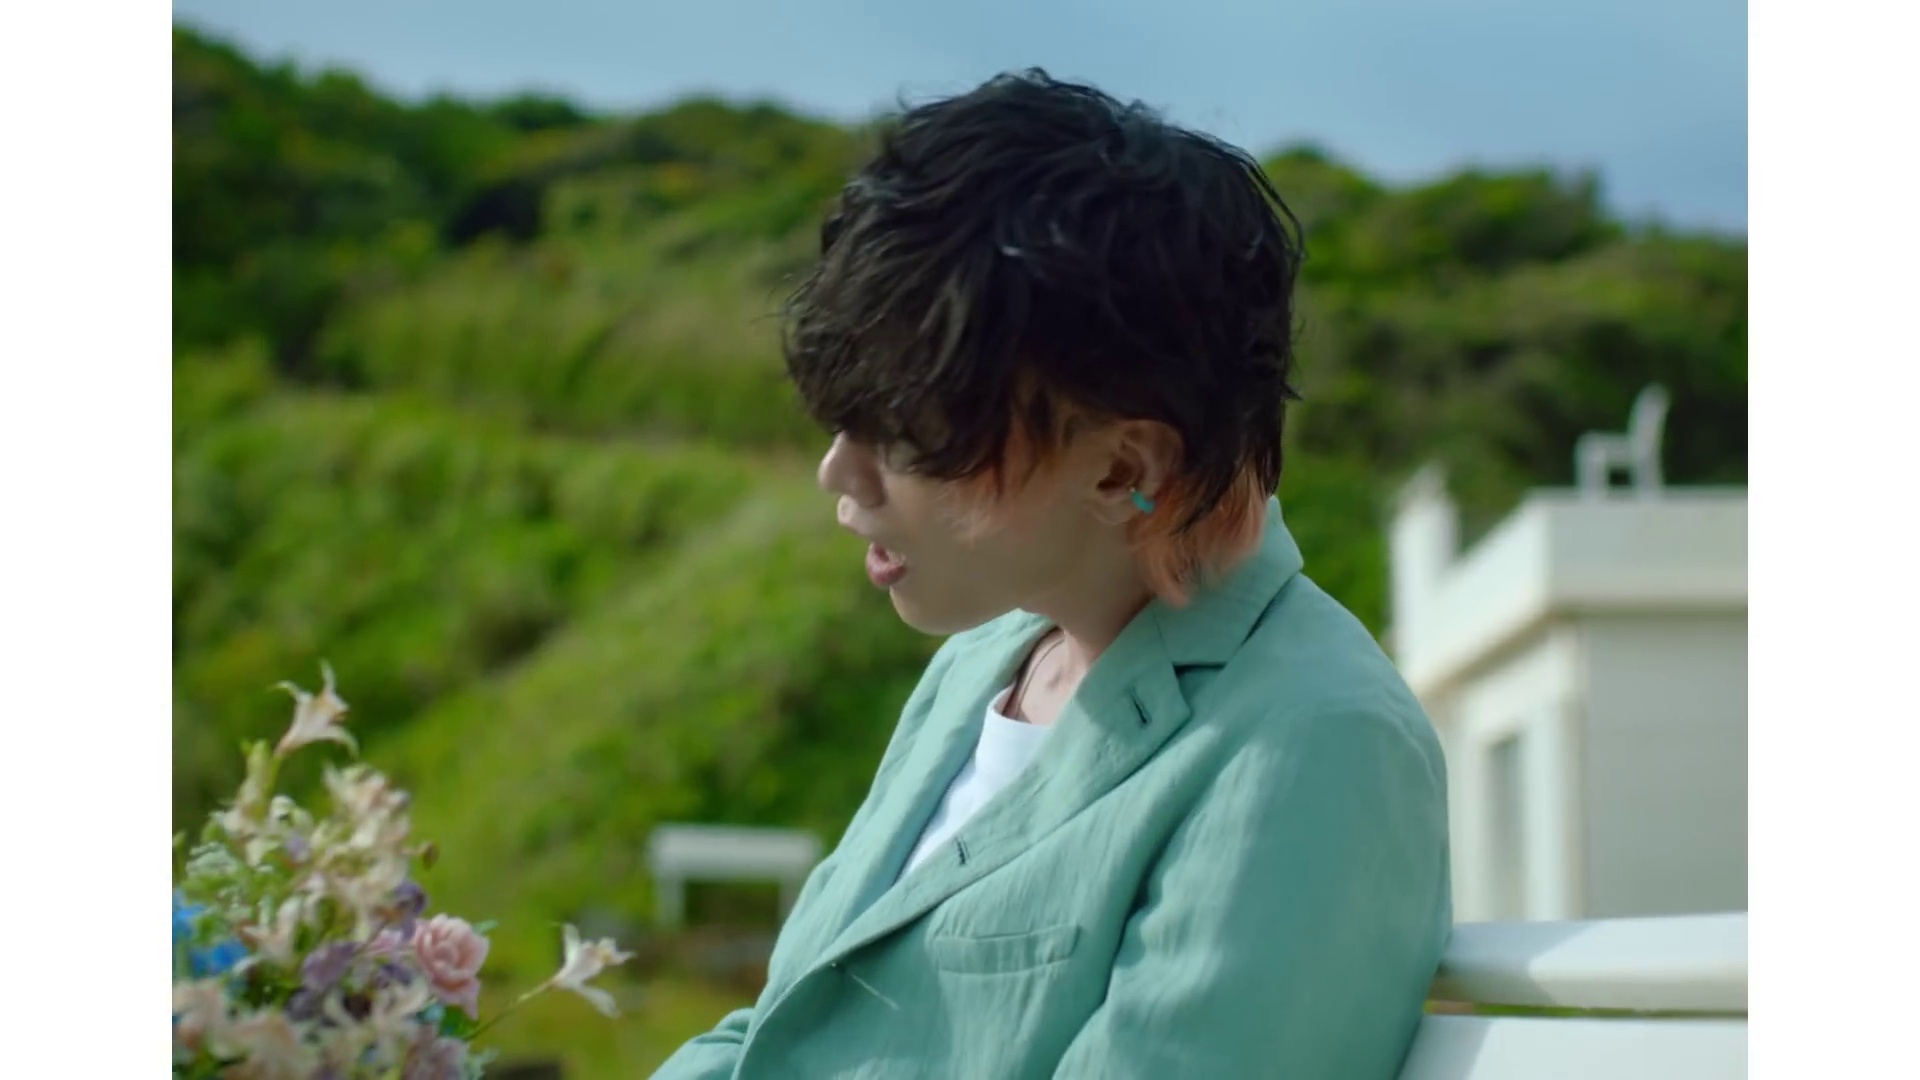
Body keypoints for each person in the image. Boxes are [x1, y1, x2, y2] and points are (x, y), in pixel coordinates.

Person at [652, 69, 1450, 1080]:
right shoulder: (990, 656)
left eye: (907, 434)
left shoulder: (1315, 742)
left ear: (1122, 470)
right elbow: (779, 1036)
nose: (838, 474)